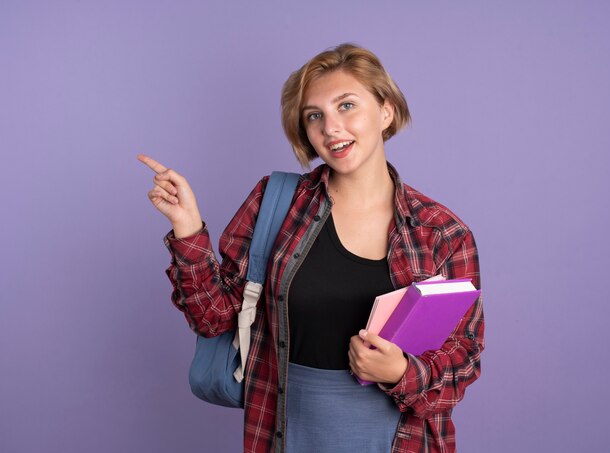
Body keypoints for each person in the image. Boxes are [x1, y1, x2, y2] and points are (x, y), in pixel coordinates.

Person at [139, 43, 483, 453]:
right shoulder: (276, 202)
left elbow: (464, 358)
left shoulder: (441, 232)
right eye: (314, 116)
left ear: (386, 110)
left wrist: (400, 372)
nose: (331, 127)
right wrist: (187, 228)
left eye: (347, 105)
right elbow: (214, 318)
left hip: (395, 439)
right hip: (287, 431)